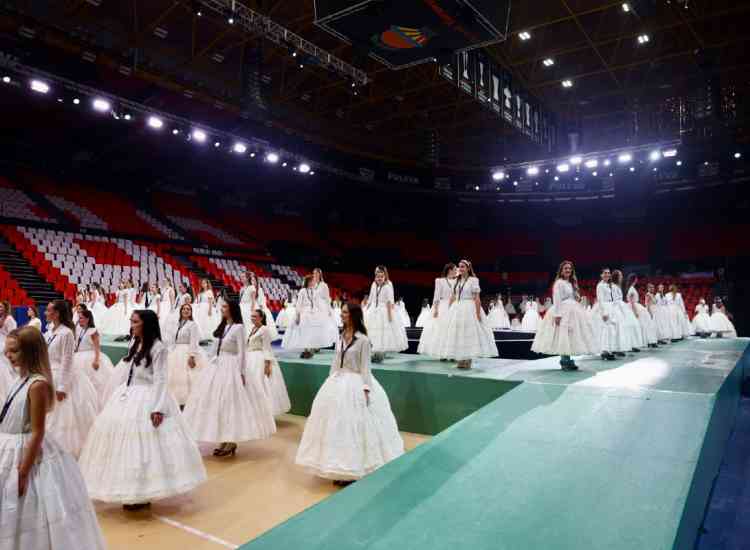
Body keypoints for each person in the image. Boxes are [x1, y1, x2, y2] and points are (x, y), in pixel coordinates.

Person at [78, 309, 206, 510]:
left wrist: (158, 408)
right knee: (125, 446)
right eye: (131, 321)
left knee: (147, 448)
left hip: (148, 397)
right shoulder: (135, 343)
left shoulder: (158, 348)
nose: (132, 324)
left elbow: (161, 380)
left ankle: (143, 493)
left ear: (145, 324)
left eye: (135, 321)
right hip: (129, 395)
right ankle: (131, 489)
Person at [0, 327, 106, 549]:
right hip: (9, 447)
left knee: (30, 512)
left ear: (30, 352)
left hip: (25, 453)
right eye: (6, 350)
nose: (7, 355)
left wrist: (22, 472)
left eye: (14, 351)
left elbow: (37, 431)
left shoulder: (37, 385)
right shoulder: (20, 379)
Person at [295, 303, 404, 484]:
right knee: (337, 427)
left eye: (345, 312)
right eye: (342, 312)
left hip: (356, 383)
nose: (342, 315)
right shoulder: (341, 336)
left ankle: (351, 469)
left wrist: (366, 389)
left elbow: (365, 368)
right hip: (338, 382)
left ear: (353, 315)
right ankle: (339, 466)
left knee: (353, 427)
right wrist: (330, 382)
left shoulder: (363, 340)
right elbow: (336, 361)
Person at [183, 301, 275, 457]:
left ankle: (231, 441)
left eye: (225, 307)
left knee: (231, 403)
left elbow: (242, 352)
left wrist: (242, 372)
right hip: (218, 365)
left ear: (232, 309)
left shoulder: (239, 328)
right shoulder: (223, 327)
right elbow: (215, 349)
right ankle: (224, 439)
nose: (222, 309)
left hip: (232, 366)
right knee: (218, 403)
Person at [44, 300, 99, 457]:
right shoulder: (50, 331)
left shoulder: (66, 332)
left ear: (57, 313)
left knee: (61, 418)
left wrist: (62, 387)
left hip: (62, 378)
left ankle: (61, 451)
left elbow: (67, 361)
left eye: (49, 310)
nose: (45, 313)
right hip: (49, 374)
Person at [532, 260, 598, 370]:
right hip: (562, 310)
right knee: (563, 334)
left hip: (572, 310)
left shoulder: (570, 283)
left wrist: (576, 297)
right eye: (565, 268)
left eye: (569, 268)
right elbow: (557, 299)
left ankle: (567, 359)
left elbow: (570, 297)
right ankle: (564, 360)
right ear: (561, 271)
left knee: (570, 335)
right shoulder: (559, 283)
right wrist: (558, 315)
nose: (568, 270)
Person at [437, 259, 498, 369]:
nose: (460, 268)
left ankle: (468, 359)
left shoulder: (473, 280)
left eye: (463, 267)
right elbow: (453, 296)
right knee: (458, 333)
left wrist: (478, 313)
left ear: (468, 268)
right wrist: (449, 309)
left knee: (468, 333)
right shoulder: (457, 280)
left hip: (469, 308)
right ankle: (460, 358)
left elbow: (477, 298)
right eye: (459, 267)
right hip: (457, 308)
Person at [245, 308, 291, 416]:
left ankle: (263, 412)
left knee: (261, 384)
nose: (253, 318)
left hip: (260, 359)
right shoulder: (252, 329)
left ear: (261, 318)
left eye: (255, 316)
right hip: (250, 357)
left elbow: (267, 348)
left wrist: (267, 364)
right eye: (252, 316)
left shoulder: (264, 330)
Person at [282, 275, 336, 359]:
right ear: (309, 282)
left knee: (312, 332)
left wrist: (324, 312)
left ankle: (311, 348)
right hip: (304, 314)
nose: (314, 282)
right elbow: (299, 304)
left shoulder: (314, 291)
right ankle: (306, 349)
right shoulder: (302, 291)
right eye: (313, 281)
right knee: (305, 332)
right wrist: (298, 316)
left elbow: (317, 303)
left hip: (313, 313)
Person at [363, 266, 408, 363]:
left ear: (384, 276)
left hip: (383, 310)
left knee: (382, 332)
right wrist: (367, 307)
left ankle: (380, 352)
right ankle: (374, 351)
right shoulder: (374, 285)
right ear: (375, 276)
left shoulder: (388, 286)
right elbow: (371, 297)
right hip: (373, 310)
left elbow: (389, 301)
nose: (379, 278)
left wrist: (390, 315)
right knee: (372, 331)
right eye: (377, 276)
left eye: (381, 276)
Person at [166, 303, 207, 407]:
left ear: (191, 312)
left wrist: (192, 356)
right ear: (180, 311)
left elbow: (194, 341)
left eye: (188, 309)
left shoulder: (192, 324)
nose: (186, 311)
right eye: (184, 309)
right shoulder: (178, 324)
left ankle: (189, 400)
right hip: (177, 351)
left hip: (187, 351)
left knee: (188, 377)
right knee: (175, 376)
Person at [73, 308, 116, 406]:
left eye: (81, 318)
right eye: (79, 318)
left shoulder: (92, 331)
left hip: (90, 357)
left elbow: (97, 347)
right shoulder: (80, 331)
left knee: (95, 381)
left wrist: (96, 360)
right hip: (79, 356)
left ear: (87, 319)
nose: (79, 320)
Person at [417, 263, 456, 357]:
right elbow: (437, 296)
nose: (456, 271)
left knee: (452, 330)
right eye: (455, 269)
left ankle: (452, 353)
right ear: (450, 270)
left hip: (454, 306)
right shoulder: (440, 281)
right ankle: (442, 353)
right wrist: (436, 309)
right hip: (443, 306)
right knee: (441, 330)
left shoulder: (457, 281)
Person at [612, 270, 644, 352]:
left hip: (622, 306)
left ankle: (628, 345)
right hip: (617, 307)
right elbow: (615, 300)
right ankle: (618, 348)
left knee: (629, 326)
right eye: (620, 275)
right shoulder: (614, 287)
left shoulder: (618, 286)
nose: (622, 277)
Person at [624, 274, 658, 349]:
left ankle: (645, 341)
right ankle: (641, 342)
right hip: (634, 307)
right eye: (636, 279)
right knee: (642, 324)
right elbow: (632, 302)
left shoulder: (631, 288)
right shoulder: (631, 289)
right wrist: (635, 311)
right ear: (634, 280)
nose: (637, 280)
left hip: (635, 306)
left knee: (642, 324)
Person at [593, 268, 619, 360]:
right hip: (605, 307)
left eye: (608, 273)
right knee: (605, 330)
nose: (607, 274)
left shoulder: (608, 285)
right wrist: (603, 312)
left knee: (610, 330)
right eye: (605, 273)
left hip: (610, 306)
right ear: (601, 275)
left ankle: (609, 349)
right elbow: (600, 299)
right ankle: (604, 351)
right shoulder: (600, 285)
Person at [0, 300, 18, 397]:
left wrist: (8, 347)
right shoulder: (2, 318)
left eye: (1, 307)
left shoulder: (9, 319)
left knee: (6, 367)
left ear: (6, 308)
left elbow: (12, 334)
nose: (0, 309)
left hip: (4, 345)